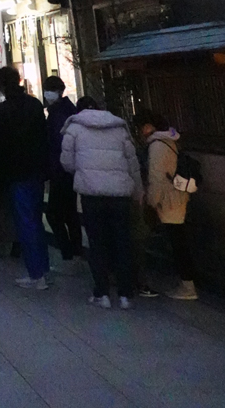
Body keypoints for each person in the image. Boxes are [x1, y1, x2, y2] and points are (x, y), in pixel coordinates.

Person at [60, 99, 141, 309]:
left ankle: (102, 293)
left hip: (91, 192)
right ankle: (125, 294)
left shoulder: (74, 128)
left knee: (97, 243)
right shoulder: (119, 127)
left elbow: (67, 162)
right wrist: (138, 191)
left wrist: (85, 170)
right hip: (120, 193)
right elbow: (133, 162)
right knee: (122, 241)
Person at [0, 66, 51, 289]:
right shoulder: (35, 105)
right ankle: (43, 268)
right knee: (36, 220)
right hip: (36, 171)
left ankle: (36, 274)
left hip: (16, 173)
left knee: (25, 223)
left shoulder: (2, 112)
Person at [134, 110, 197, 301]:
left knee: (178, 244)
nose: (139, 132)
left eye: (140, 127)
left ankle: (188, 286)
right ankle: (187, 283)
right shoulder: (169, 140)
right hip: (177, 197)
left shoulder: (157, 146)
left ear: (148, 126)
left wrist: (151, 203)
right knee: (179, 242)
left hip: (168, 201)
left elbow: (157, 179)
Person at [42, 76, 83, 268]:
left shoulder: (59, 114)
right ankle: (75, 251)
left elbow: (58, 144)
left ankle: (70, 252)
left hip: (61, 169)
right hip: (67, 170)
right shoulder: (66, 110)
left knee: (55, 213)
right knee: (69, 213)